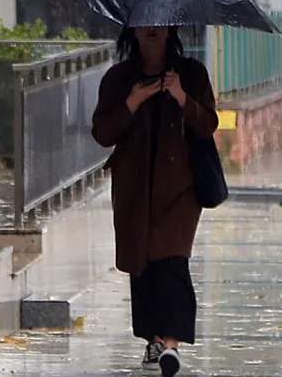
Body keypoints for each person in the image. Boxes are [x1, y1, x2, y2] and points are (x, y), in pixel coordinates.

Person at [91, 26, 218, 377]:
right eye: (145, 23)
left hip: (180, 189)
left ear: (170, 30)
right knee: (143, 261)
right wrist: (132, 102)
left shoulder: (191, 73)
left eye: (159, 23)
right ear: (133, 31)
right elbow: (102, 132)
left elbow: (208, 123)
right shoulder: (119, 79)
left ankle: (172, 343)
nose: (152, 29)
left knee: (173, 260)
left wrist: (181, 97)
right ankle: (155, 339)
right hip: (134, 188)